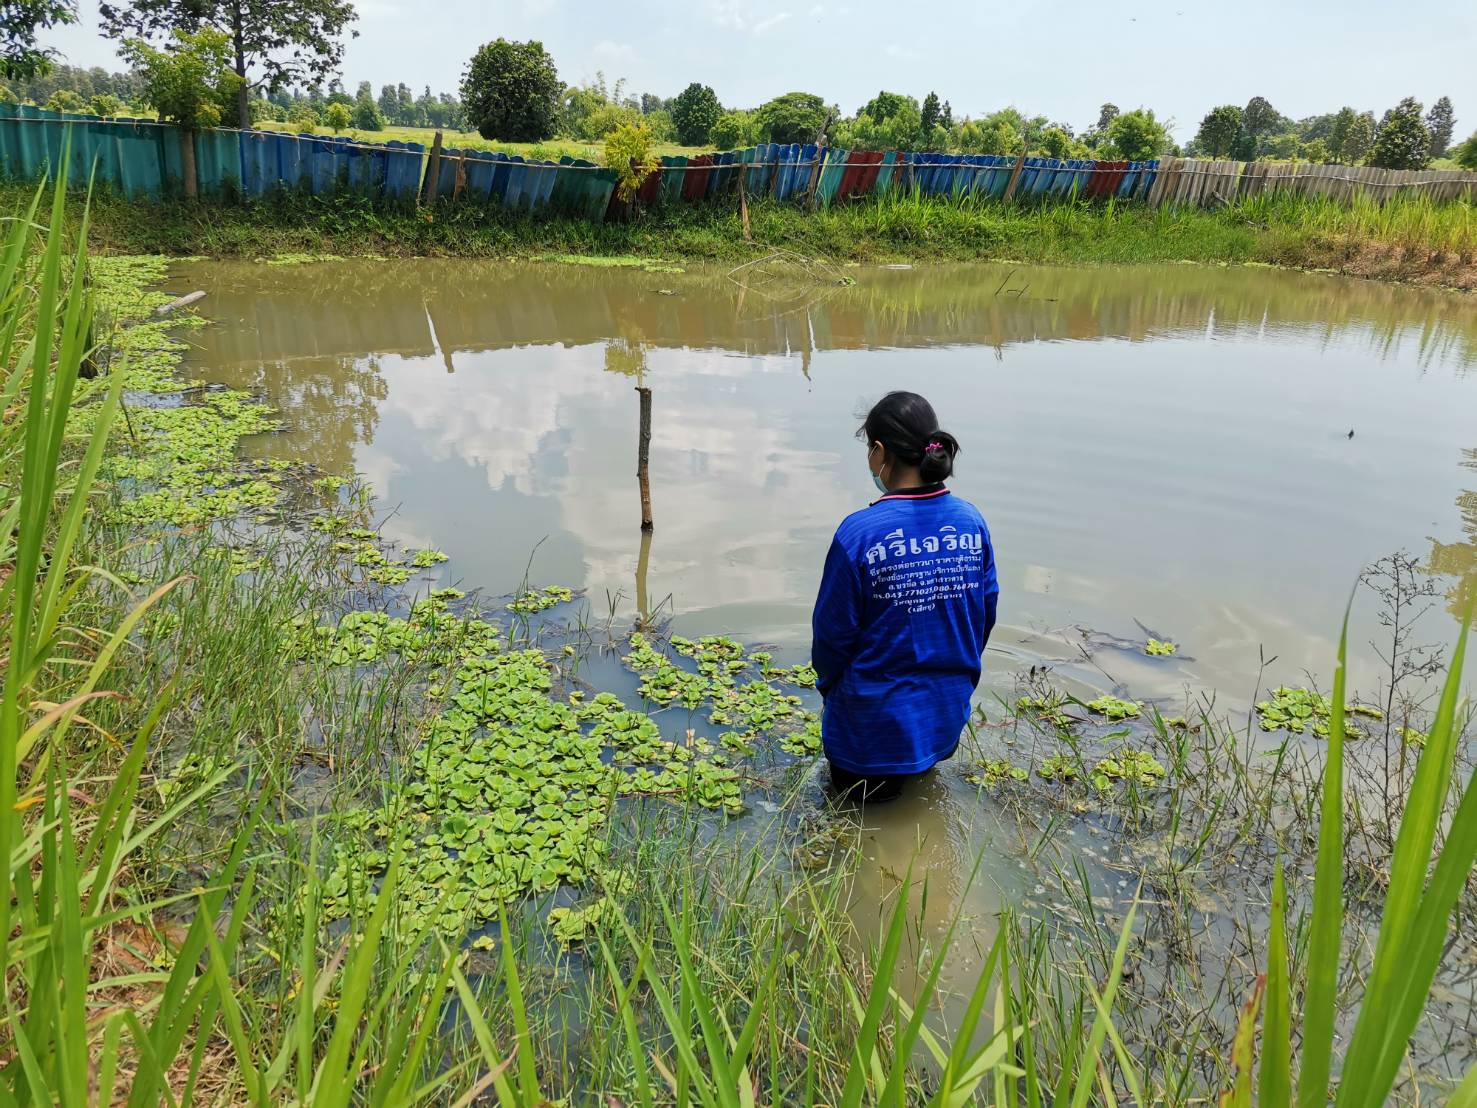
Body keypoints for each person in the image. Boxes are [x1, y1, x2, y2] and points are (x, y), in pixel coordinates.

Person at [811, 391, 998, 802]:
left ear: (879, 452)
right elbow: (982, 617)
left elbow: (831, 642)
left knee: (850, 835)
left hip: (868, 733)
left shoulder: (858, 534)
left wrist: (835, 696)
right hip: (941, 719)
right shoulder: (971, 524)